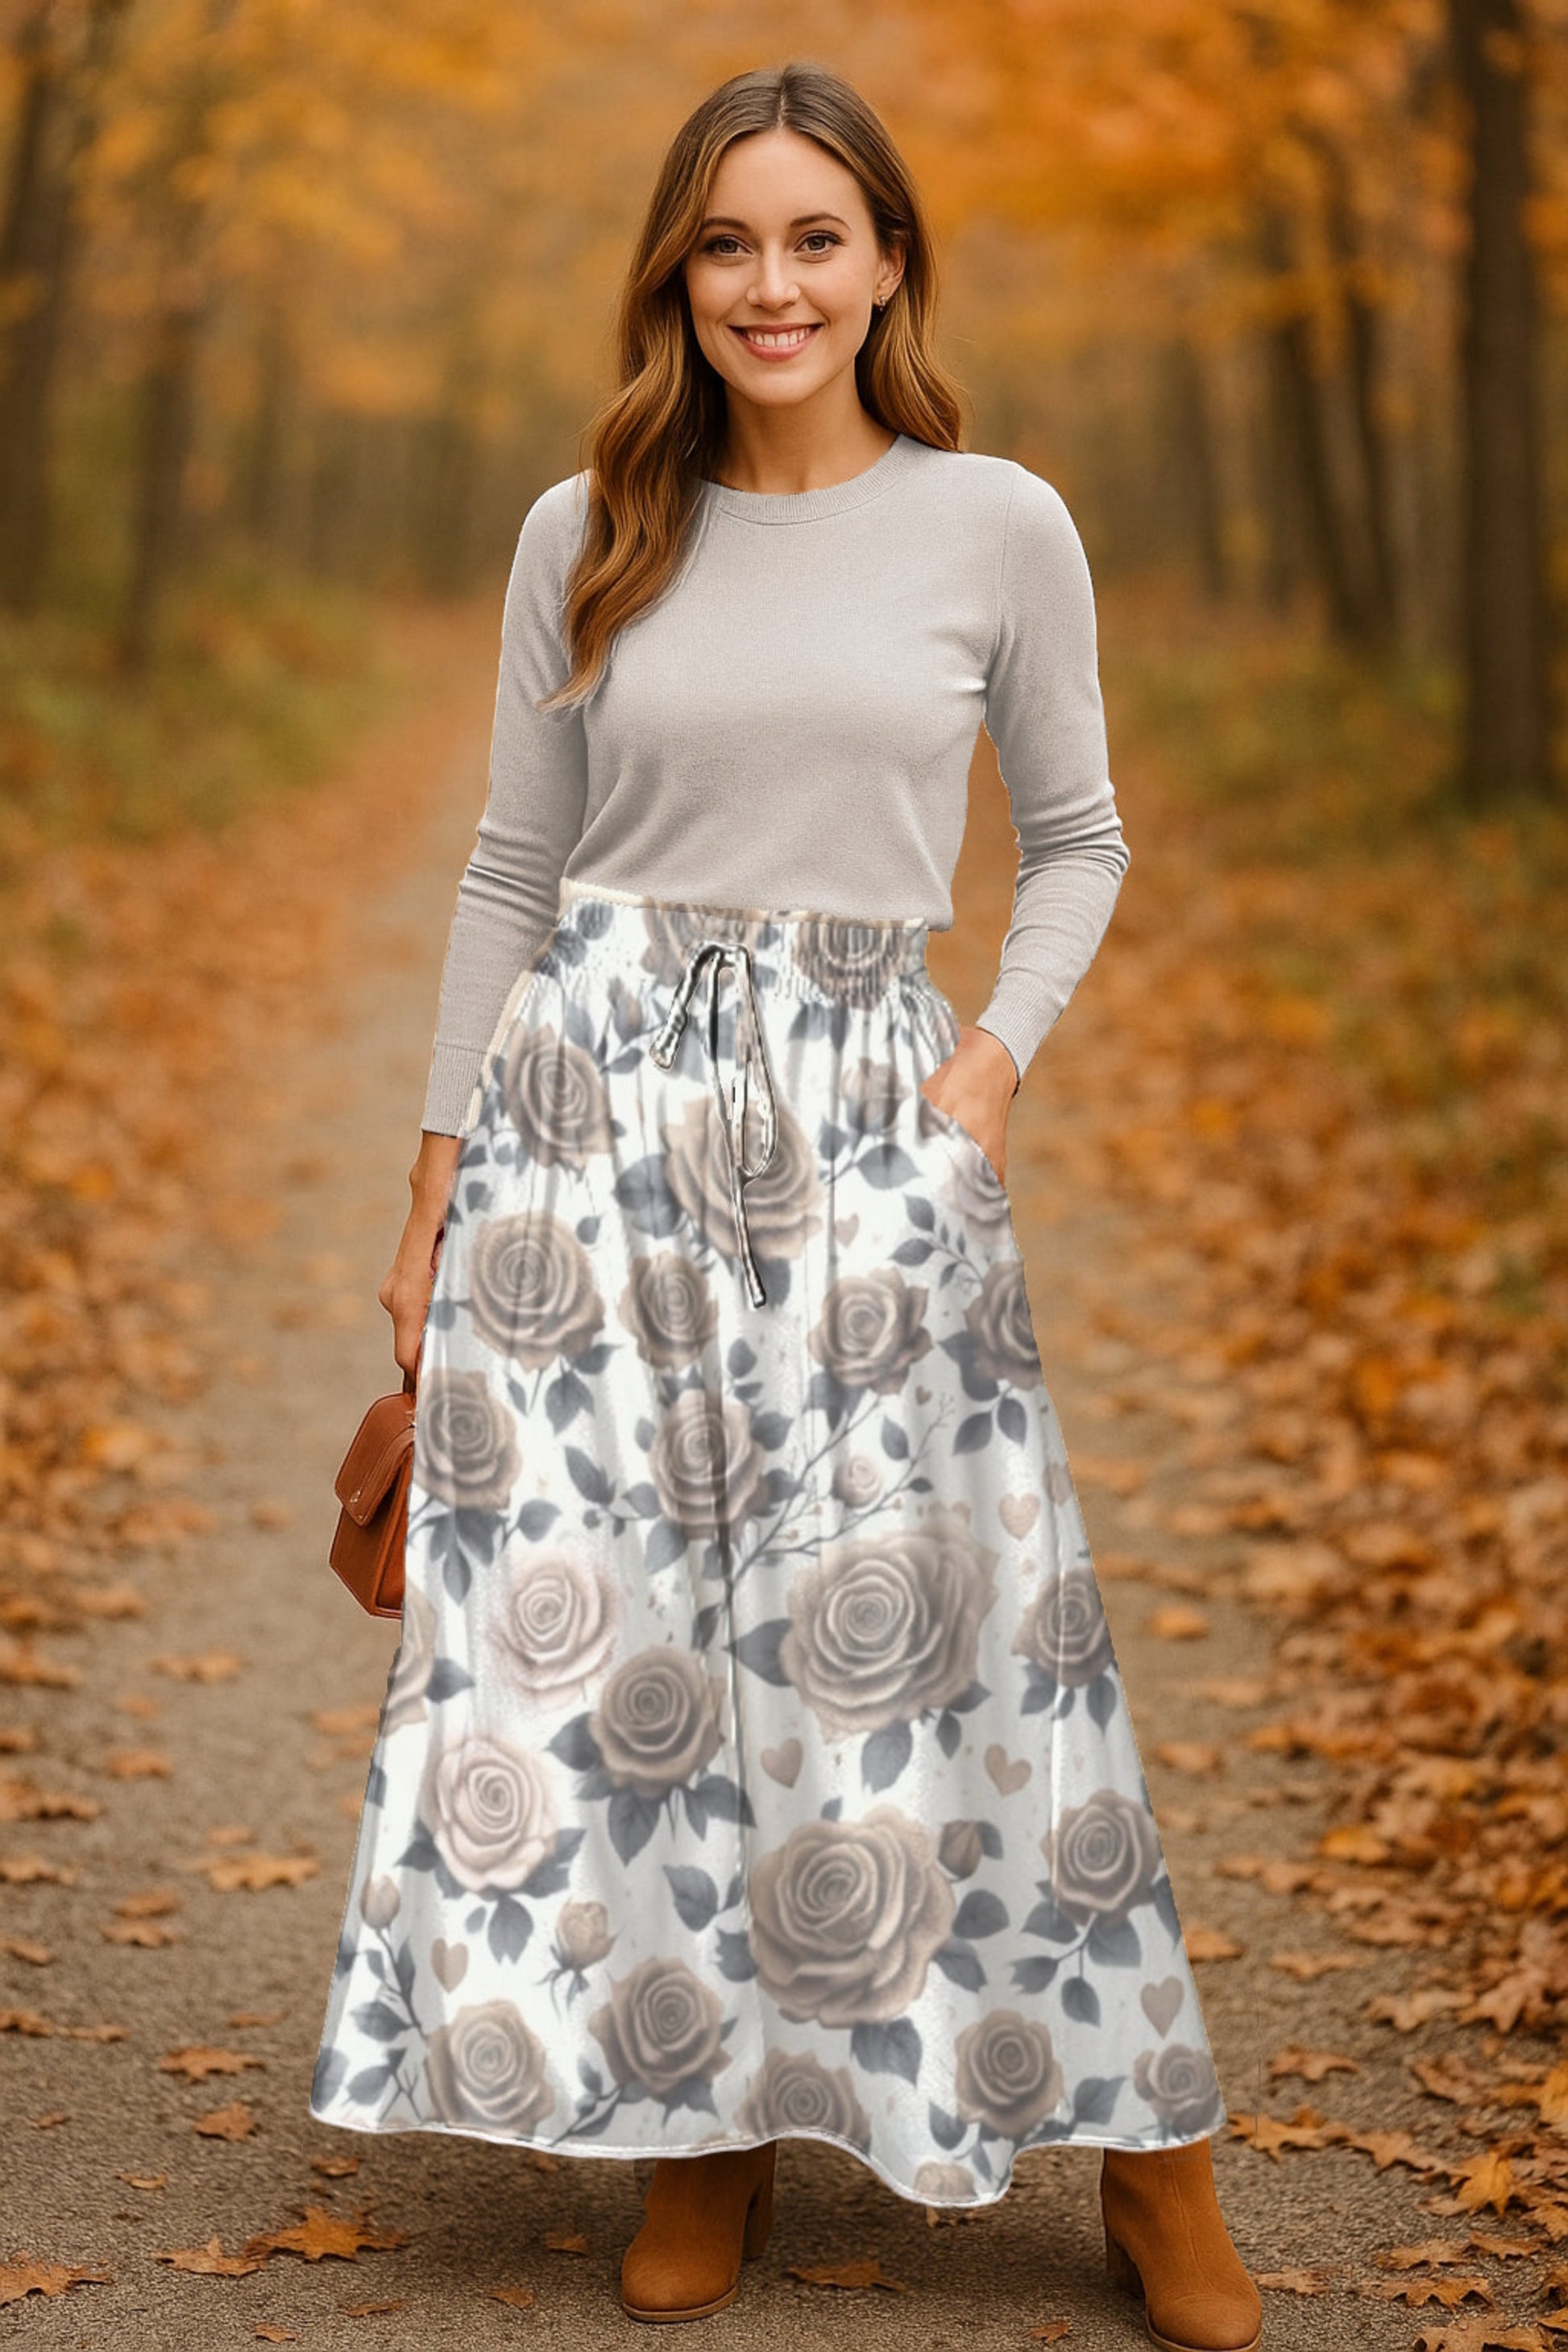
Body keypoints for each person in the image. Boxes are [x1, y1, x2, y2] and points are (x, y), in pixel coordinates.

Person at [310, 60, 1263, 2351]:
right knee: (646, 1639)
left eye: (815, 238)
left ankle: (1148, 2144)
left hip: (864, 1117)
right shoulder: (589, 527)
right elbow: (514, 867)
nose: (771, 285)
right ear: (678, 271)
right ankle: (697, 2119)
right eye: (727, 242)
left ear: (889, 261)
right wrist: (437, 1178)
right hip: (589, 1121)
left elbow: (1082, 837)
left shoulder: (996, 524)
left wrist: (983, 1072)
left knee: (960, 1619)